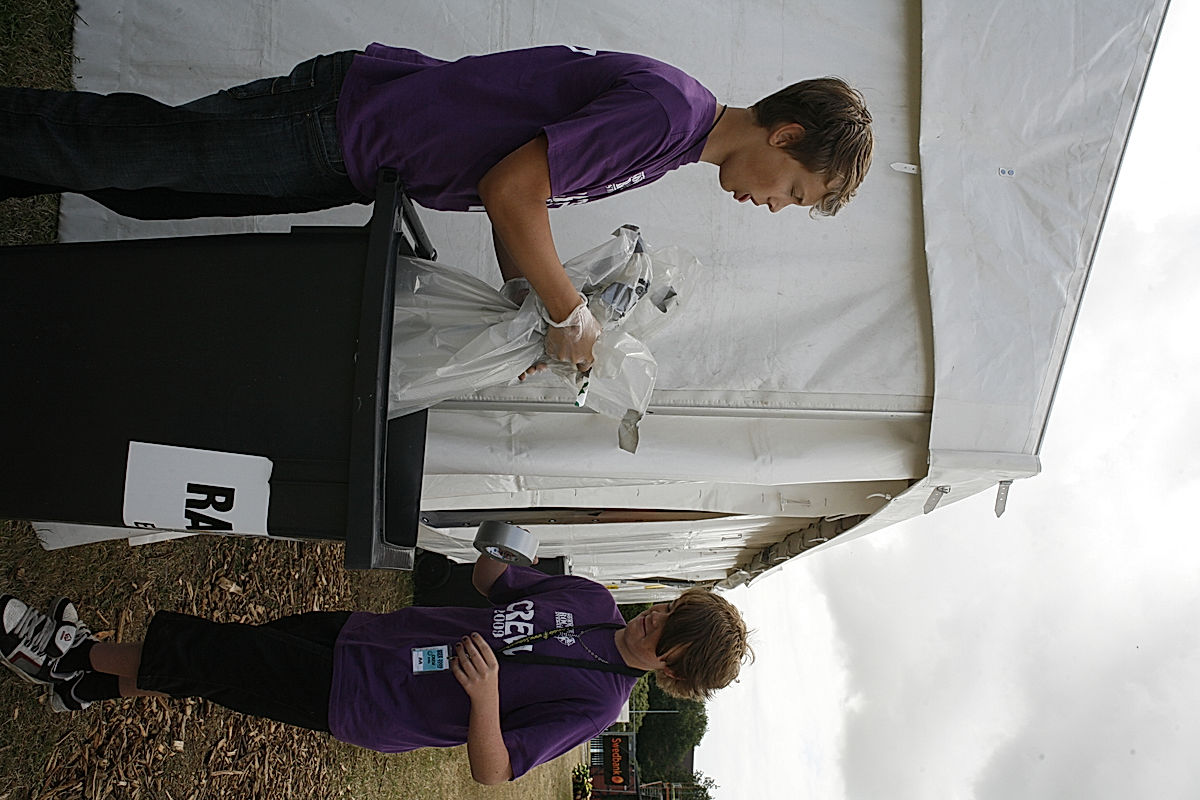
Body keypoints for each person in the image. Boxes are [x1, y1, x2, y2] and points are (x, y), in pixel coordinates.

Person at [0, 44, 874, 373]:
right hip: (347, 120)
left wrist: (536, 311)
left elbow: (517, 199)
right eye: (793, 192)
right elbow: (510, 192)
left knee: (145, 189)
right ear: (787, 134)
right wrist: (567, 311)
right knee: (120, 148)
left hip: (361, 152)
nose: (773, 207)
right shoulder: (666, 114)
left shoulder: (673, 139)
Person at [1, 555, 752, 784]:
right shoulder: (594, 598)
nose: (654, 625)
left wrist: (485, 696)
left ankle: (56, 655)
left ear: (672, 675)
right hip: (370, 635)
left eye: (668, 641)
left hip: (369, 701)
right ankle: (88, 683)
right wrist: (498, 561)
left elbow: (494, 770)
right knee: (229, 656)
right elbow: (496, 583)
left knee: (215, 658)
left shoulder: (596, 707)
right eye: (669, 613)